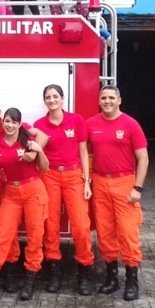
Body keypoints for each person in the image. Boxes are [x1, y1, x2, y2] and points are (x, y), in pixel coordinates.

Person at [0, 108, 49, 301]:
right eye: (7, 121)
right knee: (1, 237)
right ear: (2, 120)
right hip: (11, 195)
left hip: (33, 191)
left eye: (14, 122)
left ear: (19, 124)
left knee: (34, 237)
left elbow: (45, 168)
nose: (9, 125)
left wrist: (39, 151)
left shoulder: (28, 142)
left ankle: (29, 281)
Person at [85, 86, 149, 301]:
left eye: (111, 97)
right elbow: (79, 148)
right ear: (99, 100)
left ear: (119, 100)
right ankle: (112, 277)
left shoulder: (130, 124)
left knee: (128, 233)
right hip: (100, 182)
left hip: (124, 183)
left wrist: (137, 188)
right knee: (104, 233)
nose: (107, 101)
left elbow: (143, 158)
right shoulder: (91, 124)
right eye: (103, 97)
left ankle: (132, 280)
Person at [33, 83, 95, 295]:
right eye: (48, 97)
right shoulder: (39, 124)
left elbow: (84, 152)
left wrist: (86, 181)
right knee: (50, 225)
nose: (51, 100)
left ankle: (85, 270)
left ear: (62, 98)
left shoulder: (76, 120)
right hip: (49, 175)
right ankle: (53, 271)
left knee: (80, 225)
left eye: (55, 96)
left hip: (73, 175)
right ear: (45, 101)